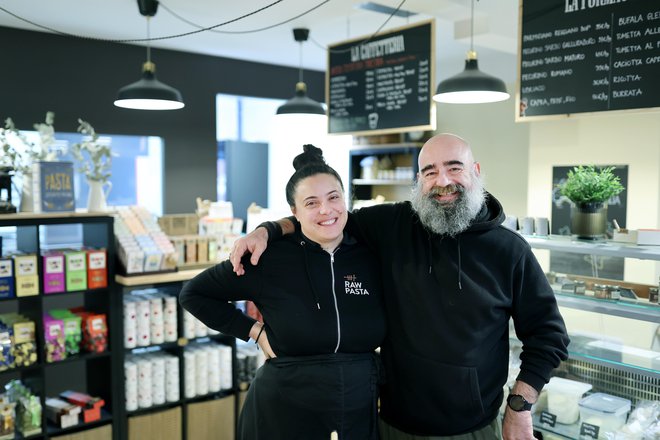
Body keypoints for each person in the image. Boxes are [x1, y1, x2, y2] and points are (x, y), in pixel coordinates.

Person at [230, 133, 570, 440]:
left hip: (474, 429)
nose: (443, 181)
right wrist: (267, 231)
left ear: (476, 171)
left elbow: (548, 336)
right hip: (392, 426)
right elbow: (325, 216)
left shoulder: (508, 250)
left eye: (454, 168)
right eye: (430, 172)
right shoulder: (392, 225)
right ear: (419, 179)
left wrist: (519, 407)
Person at [179, 144, 385, 440]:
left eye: (334, 197)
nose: (326, 210)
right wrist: (255, 332)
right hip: (285, 409)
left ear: (345, 199)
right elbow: (194, 294)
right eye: (311, 203)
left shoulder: (369, 252)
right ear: (294, 212)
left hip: (358, 404)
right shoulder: (268, 257)